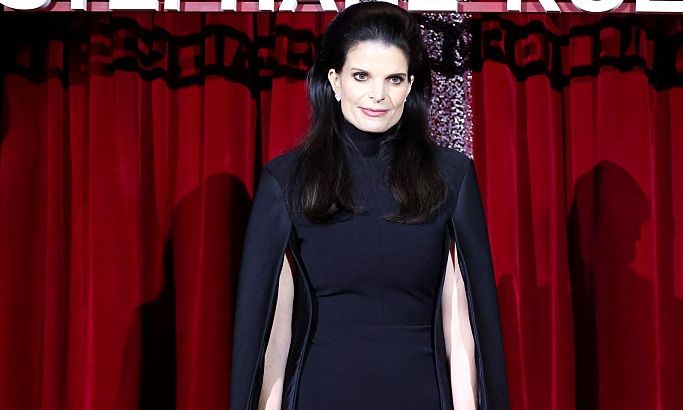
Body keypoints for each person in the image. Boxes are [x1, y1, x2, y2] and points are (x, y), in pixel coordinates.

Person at [230, 2, 509, 409]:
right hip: (320, 395)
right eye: (361, 76)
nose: (378, 95)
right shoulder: (288, 180)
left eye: (394, 79)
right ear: (335, 80)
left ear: (410, 86)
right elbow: (275, 332)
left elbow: (462, 326)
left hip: (421, 396)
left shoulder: (450, 176)